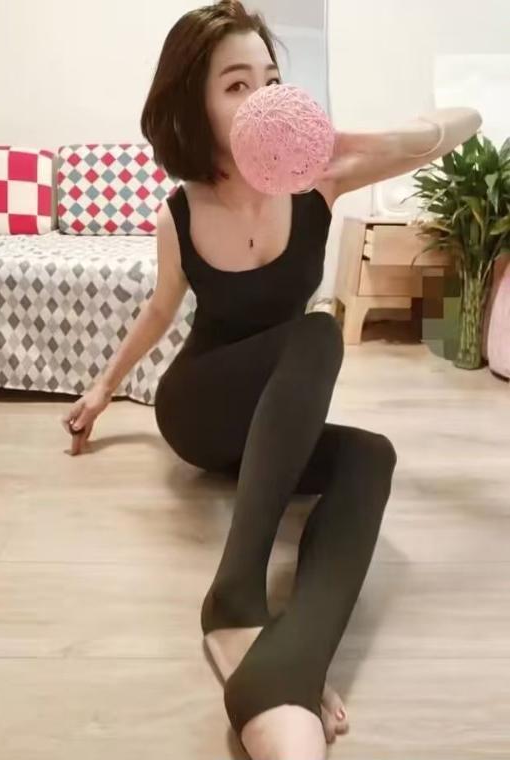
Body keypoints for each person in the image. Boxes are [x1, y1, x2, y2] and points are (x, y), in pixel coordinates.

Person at [61, 2, 482, 758]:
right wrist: (102, 389)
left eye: (272, 80)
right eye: (236, 85)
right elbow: (161, 311)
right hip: (201, 409)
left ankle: (288, 661)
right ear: (195, 106)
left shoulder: (320, 185)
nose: (263, 99)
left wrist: (368, 144)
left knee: (370, 456)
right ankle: (235, 595)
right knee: (317, 330)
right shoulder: (180, 214)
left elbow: (467, 121)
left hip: (273, 424)